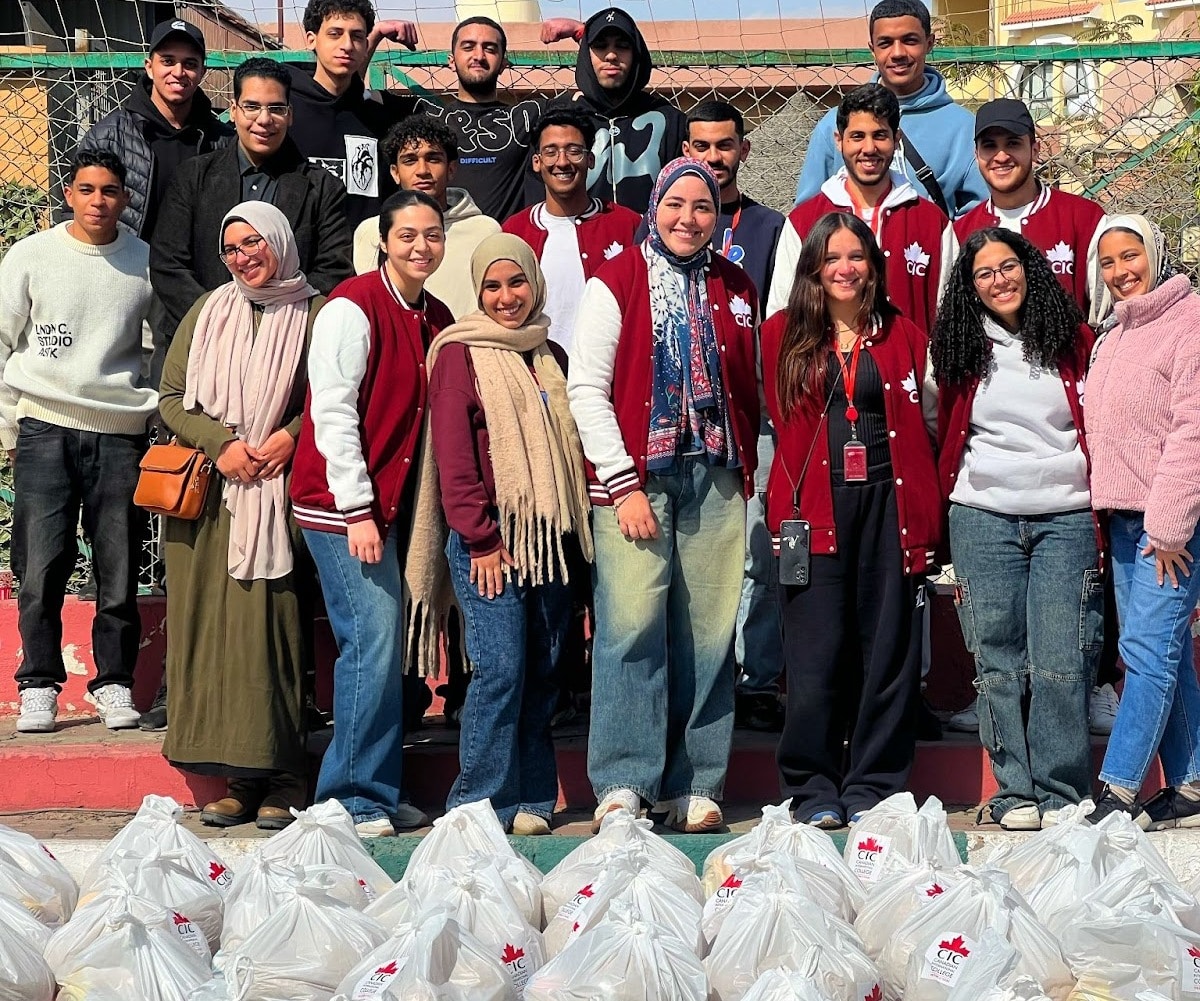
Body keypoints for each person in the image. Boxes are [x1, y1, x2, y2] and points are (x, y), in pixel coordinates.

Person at [568, 159, 760, 833]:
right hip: (636, 481)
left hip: (714, 474)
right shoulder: (615, 281)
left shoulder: (736, 285)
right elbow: (586, 390)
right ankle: (624, 780)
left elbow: (751, 384)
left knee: (707, 633)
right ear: (655, 206)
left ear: (718, 215)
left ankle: (697, 780)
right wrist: (621, 485)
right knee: (631, 628)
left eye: (702, 207)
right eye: (675, 203)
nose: (687, 218)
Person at [406, 233, 593, 834]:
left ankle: (533, 799)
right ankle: (478, 804)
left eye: (517, 283)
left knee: (544, 667)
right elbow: (455, 457)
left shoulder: (549, 354)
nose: (507, 297)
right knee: (501, 668)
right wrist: (482, 538)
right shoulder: (459, 353)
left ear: (534, 284)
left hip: (551, 541)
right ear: (477, 290)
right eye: (493, 285)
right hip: (490, 541)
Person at [763, 211, 939, 827]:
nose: (845, 268)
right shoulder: (780, 333)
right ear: (813, 266)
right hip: (812, 510)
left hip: (888, 507)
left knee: (886, 651)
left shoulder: (904, 334)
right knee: (814, 655)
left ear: (874, 266)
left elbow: (933, 419)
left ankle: (873, 786)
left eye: (857, 257)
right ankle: (813, 789)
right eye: (832, 257)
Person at [948, 98, 1116, 740]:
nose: (1000, 156)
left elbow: (1105, 313)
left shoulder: (1083, 218)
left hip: (1068, 414)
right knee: (999, 620)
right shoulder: (961, 228)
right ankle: (998, 700)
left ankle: (1096, 684)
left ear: (1033, 146)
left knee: (1073, 599)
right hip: (995, 436)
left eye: (1012, 143)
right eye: (988, 145)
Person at [291, 189, 455, 836]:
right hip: (340, 505)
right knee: (373, 639)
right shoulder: (350, 307)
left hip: (389, 508)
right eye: (408, 234)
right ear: (383, 240)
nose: (421, 245)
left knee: (383, 647)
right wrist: (357, 508)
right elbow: (331, 410)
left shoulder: (435, 314)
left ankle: (378, 789)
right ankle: (350, 798)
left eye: (432, 234)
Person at [158, 203, 322, 829]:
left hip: (276, 494)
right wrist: (220, 444)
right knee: (213, 638)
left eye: (255, 242)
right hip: (210, 497)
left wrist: (290, 434)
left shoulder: (316, 311)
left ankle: (280, 775)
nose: (244, 256)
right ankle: (236, 778)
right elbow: (171, 397)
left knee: (269, 634)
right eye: (231, 247)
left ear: (280, 240)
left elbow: (338, 392)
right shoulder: (209, 310)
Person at [932, 227, 1101, 831]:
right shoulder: (957, 348)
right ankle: (1014, 792)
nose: (999, 280)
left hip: (1066, 513)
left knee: (1062, 656)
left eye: (1008, 266)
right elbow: (937, 423)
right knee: (998, 661)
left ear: (1029, 268)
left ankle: (1062, 793)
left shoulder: (1074, 340)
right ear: (970, 286)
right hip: (982, 515)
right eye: (984, 273)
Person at [0, 151, 155, 734]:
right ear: (69, 193)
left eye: (110, 190)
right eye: (87, 189)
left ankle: (114, 683)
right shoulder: (32, 255)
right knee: (39, 566)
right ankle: (38, 683)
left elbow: (152, 347)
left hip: (118, 433)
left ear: (124, 197)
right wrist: (10, 427)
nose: (98, 201)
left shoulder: (142, 260)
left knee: (117, 569)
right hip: (43, 426)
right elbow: (1, 338)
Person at [1083, 215, 1200, 831]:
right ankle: (1190, 779)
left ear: (1156, 254)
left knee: (1146, 654)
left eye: (1131, 257)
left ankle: (1119, 787)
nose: (1121, 271)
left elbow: (1193, 430)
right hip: (1127, 522)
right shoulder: (1116, 333)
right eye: (1108, 262)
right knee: (1168, 653)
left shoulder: (1188, 321)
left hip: (1170, 528)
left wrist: (1171, 524)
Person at [677, 99, 787, 731]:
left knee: (758, 550)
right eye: (700, 146)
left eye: (724, 145)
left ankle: (760, 677)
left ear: (743, 150)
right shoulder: (662, 224)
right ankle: (703, 676)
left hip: (756, 418)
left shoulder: (770, 229)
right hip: (683, 426)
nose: (712, 158)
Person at [151, 57, 353, 340]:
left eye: (276, 108)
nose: (264, 119)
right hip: (201, 337)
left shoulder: (322, 189)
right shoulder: (193, 177)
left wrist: (269, 322)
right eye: (252, 106)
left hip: (286, 341)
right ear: (233, 111)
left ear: (290, 114)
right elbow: (169, 265)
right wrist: (222, 321)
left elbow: (334, 270)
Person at [769, 84, 956, 336]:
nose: (869, 148)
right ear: (839, 141)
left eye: (880, 135)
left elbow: (950, 316)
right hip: (826, 372)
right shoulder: (805, 222)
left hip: (913, 373)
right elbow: (781, 313)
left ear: (896, 139)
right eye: (857, 136)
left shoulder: (932, 222)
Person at [794, 0, 986, 219]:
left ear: (929, 43)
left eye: (910, 40)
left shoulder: (964, 128)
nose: (897, 53)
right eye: (885, 43)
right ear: (872, 50)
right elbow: (809, 214)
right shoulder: (834, 124)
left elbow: (978, 217)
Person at [75, 18, 232, 242]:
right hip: (128, 270)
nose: (178, 72)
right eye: (168, 61)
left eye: (189, 64)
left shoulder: (222, 141)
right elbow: (76, 212)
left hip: (196, 274)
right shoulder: (109, 137)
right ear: (149, 67)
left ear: (202, 72)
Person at [501, 108, 640, 355]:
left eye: (574, 151)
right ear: (537, 162)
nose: (562, 162)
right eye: (551, 152)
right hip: (539, 372)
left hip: (609, 369)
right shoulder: (515, 232)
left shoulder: (628, 225)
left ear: (591, 159)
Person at [287, 0, 419, 229]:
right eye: (335, 34)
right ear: (311, 39)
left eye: (357, 36)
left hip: (363, 257)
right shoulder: (284, 106)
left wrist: (376, 34)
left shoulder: (379, 115)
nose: (347, 45)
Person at [542, 8, 688, 215]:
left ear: (636, 53)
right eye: (600, 46)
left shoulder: (670, 121)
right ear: (586, 55)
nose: (611, 55)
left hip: (647, 243)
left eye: (622, 46)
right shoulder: (561, 118)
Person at [353, 116, 500, 318]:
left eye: (433, 159)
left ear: (451, 169)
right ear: (395, 173)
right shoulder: (370, 232)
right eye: (410, 160)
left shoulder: (485, 232)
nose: (422, 171)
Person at [414, 17, 544, 222]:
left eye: (490, 49)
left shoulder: (526, 117)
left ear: (503, 63)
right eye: (468, 47)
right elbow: (356, 97)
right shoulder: (426, 117)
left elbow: (591, 98)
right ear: (451, 60)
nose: (479, 55)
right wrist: (376, 35)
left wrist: (580, 34)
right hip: (442, 245)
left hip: (503, 248)